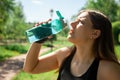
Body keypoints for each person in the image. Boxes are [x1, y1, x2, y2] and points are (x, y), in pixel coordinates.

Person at [23, 9, 120, 80]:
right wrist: (38, 40)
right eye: (75, 20)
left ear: (95, 33)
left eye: (81, 22)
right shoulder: (64, 55)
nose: (72, 23)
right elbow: (30, 68)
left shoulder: (108, 69)